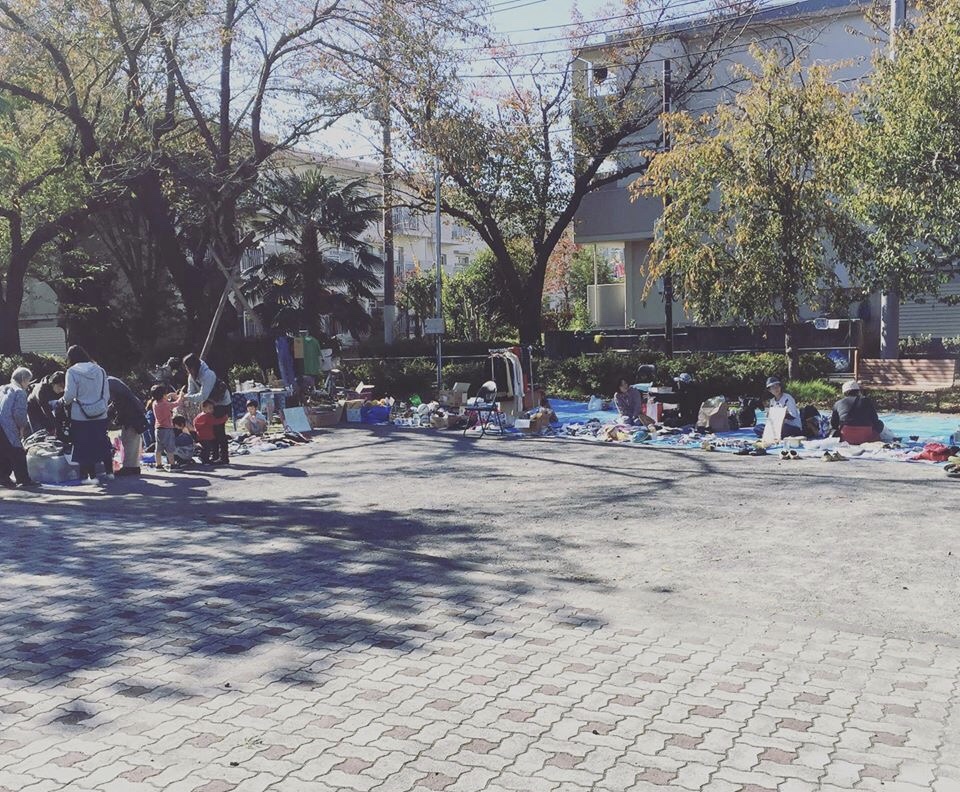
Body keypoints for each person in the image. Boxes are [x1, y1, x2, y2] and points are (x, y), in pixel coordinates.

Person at [61, 346, 113, 482]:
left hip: (80, 415)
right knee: (102, 441)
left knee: (84, 444)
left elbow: (69, 395)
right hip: (100, 413)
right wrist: (101, 405)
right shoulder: (100, 370)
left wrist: (63, 402)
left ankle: (91, 476)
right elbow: (106, 393)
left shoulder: (71, 372)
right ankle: (109, 472)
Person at [182, 354, 231, 466]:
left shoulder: (208, 374)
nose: (188, 370)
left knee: (219, 430)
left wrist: (187, 397)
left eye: (189, 367)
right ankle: (215, 456)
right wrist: (188, 396)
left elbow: (202, 396)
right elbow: (192, 393)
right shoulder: (192, 376)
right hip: (209, 404)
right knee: (211, 430)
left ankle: (224, 457)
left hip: (221, 403)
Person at [0, 367, 41, 489]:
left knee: (3, 451)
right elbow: (19, 414)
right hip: (7, 424)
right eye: (28, 380)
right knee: (18, 452)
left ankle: (3, 477)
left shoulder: (3, 388)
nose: (28, 384)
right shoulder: (20, 392)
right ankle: (23, 479)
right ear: (23, 379)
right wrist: (22, 427)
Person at [108, 376, 148, 477]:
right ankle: (133, 466)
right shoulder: (112, 381)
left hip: (131, 414)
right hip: (132, 412)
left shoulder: (108, 383)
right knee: (129, 440)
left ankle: (130, 467)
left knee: (130, 440)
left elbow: (112, 401)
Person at [831, 380, 887, 445]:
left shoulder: (838, 403)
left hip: (846, 437)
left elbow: (834, 424)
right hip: (866, 437)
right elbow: (875, 420)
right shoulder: (867, 401)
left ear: (844, 393)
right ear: (858, 391)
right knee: (880, 423)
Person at [150, 384, 183, 471]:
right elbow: (177, 403)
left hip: (158, 429)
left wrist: (169, 395)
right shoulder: (165, 404)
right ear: (163, 395)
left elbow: (163, 400)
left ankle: (159, 465)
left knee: (158, 448)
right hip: (167, 429)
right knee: (170, 448)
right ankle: (172, 465)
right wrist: (181, 396)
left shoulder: (154, 403)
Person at [27, 371, 65, 435]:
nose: (62, 390)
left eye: (64, 387)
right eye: (60, 386)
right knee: (40, 433)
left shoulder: (58, 388)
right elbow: (47, 412)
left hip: (47, 405)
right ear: (53, 384)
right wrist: (57, 427)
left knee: (54, 427)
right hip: (33, 408)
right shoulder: (41, 390)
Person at [193, 400, 228, 465]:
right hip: (205, 436)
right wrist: (224, 419)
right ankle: (205, 459)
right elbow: (215, 422)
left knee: (207, 447)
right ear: (204, 408)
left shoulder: (201, 415)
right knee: (207, 448)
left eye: (212, 408)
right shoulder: (207, 416)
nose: (212, 410)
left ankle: (205, 457)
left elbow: (195, 422)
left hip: (203, 435)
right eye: (210, 408)